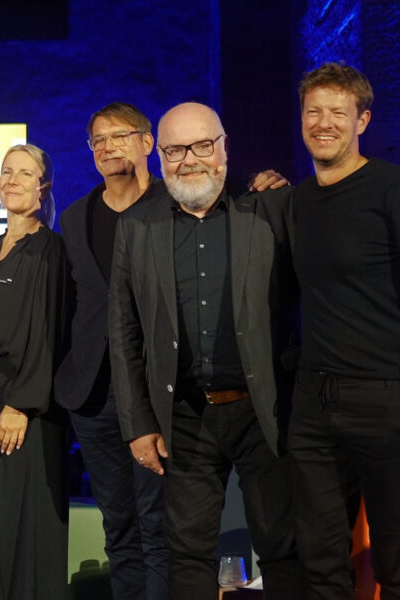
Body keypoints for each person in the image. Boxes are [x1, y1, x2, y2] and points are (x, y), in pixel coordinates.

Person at [108, 102, 303, 600]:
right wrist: (139, 425)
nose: (189, 159)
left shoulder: (267, 207)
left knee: (282, 546)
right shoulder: (137, 227)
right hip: (185, 417)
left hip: (264, 411)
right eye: (175, 149)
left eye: (201, 146)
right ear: (161, 155)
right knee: (188, 554)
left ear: (223, 148)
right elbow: (124, 332)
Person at [289, 62, 400, 600]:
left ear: (362, 120)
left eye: (338, 112)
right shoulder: (296, 201)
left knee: (398, 567)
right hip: (312, 404)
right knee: (320, 564)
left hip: (385, 401)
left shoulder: (399, 192)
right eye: (313, 111)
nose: (324, 123)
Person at [54, 103, 169, 600]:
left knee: (159, 527)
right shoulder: (76, 216)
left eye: (118, 136)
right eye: (97, 140)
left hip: (155, 393)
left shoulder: (174, 206)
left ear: (148, 143)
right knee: (118, 526)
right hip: (94, 395)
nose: (106, 146)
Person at [0, 145, 69, 599]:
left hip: (23, 401)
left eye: (24, 173)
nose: (12, 180)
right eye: (6, 171)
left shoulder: (50, 248)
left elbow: (48, 332)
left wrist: (21, 403)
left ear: (42, 186)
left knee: (25, 522)